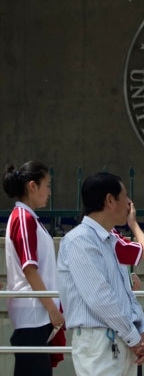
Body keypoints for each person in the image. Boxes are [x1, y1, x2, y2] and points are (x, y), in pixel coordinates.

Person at [57, 172, 144, 376]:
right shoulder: (79, 240)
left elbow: (126, 293)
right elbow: (100, 297)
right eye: (125, 196)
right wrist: (136, 337)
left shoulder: (111, 240)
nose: (129, 203)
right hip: (99, 342)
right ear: (110, 200)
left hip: (123, 338)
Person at [3, 161, 65, 376]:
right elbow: (30, 268)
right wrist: (52, 309)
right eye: (47, 185)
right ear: (32, 186)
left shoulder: (28, 218)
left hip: (35, 314)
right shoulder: (24, 218)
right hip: (33, 314)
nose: (49, 191)